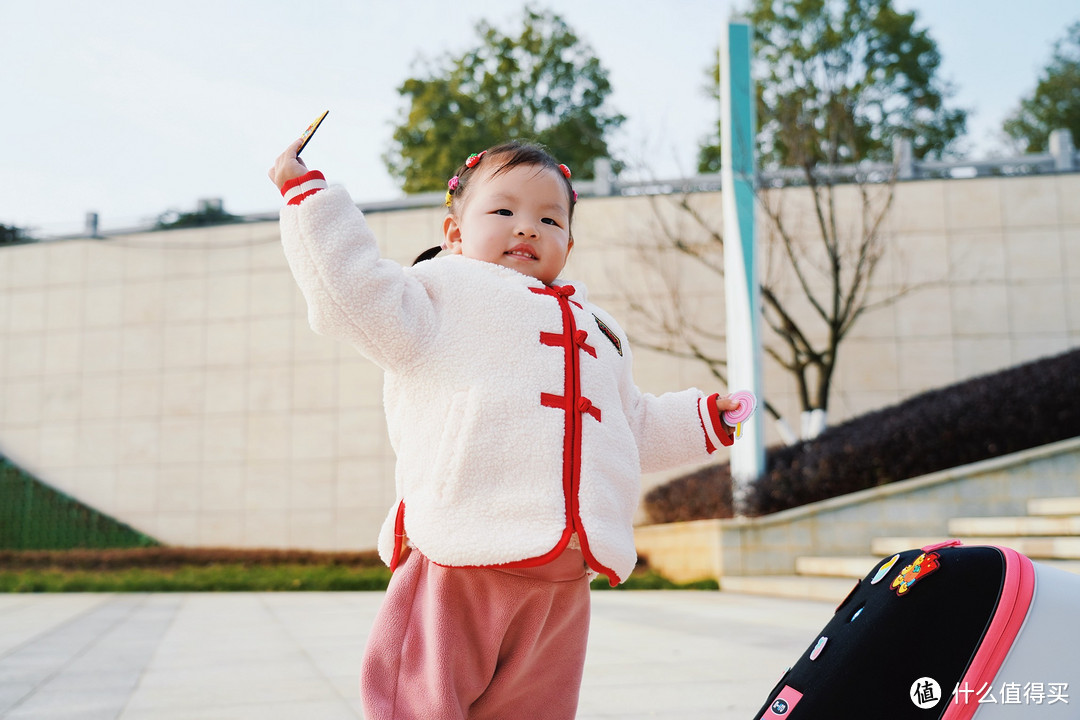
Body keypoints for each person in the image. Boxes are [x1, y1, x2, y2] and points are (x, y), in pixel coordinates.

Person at [268, 138, 741, 720]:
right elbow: (352, 291)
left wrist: (704, 420)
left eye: (549, 218)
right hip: (462, 557)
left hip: (563, 576)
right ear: (455, 231)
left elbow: (629, 425)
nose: (528, 228)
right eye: (503, 211)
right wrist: (308, 198)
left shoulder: (599, 330)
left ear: (569, 242)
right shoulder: (437, 296)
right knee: (421, 705)